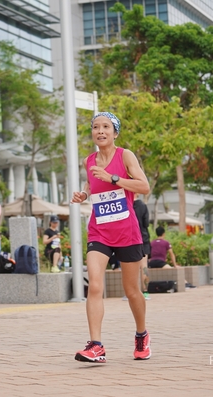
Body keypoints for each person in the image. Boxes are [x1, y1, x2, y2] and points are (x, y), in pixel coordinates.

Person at [70, 112, 151, 363]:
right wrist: (84, 195)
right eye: (96, 127)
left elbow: (144, 186)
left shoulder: (125, 156)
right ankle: (96, 346)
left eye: (106, 127)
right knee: (94, 285)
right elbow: (91, 185)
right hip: (100, 231)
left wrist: (114, 178)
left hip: (127, 231)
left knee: (132, 290)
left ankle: (141, 335)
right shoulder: (89, 160)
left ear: (115, 132)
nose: (100, 131)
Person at [133, 196, 150, 287]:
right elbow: (146, 223)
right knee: (144, 266)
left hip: (130, 239)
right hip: (143, 238)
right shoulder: (143, 206)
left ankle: (133, 291)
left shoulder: (125, 204)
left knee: (131, 267)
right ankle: (146, 290)